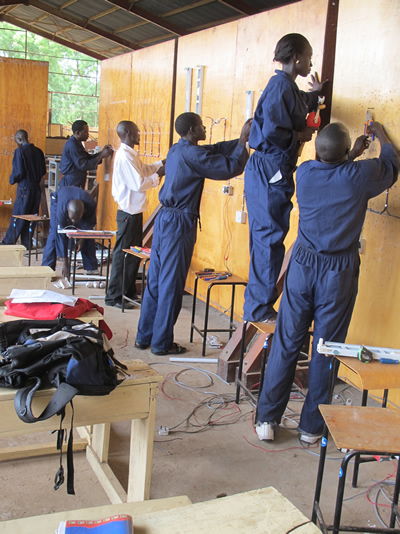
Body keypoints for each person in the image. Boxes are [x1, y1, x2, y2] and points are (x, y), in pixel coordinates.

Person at [256, 121, 399, 444]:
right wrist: (380, 135)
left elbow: (331, 169)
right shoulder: (358, 178)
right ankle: (311, 428)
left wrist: (350, 154)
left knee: (287, 341)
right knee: (326, 347)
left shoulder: (305, 173)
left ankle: (266, 420)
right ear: (347, 152)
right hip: (338, 272)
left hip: (303, 266)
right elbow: (391, 165)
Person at [135, 112, 252, 355]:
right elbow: (228, 168)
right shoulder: (193, 154)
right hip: (179, 222)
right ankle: (161, 343)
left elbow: (215, 149)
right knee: (172, 283)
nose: (205, 128)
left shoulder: (178, 150)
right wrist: (242, 143)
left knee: (156, 279)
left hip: (165, 218)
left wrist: (239, 140)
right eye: (201, 125)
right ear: (191, 130)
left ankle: (144, 337)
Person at [243, 33, 326, 324]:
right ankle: (260, 309)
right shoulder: (280, 86)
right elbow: (273, 133)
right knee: (269, 239)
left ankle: (258, 304)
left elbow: (302, 102)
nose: (311, 62)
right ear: (297, 58)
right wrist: (299, 136)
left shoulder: (286, 85)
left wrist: (315, 94)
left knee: (266, 238)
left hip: (268, 169)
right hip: (271, 168)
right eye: (310, 57)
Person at [105, 120, 165, 309]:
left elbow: (144, 170)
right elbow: (139, 183)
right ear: (129, 133)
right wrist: (159, 175)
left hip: (134, 213)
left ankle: (128, 292)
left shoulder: (131, 155)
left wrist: (160, 165)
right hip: (127, 214)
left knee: (132, 256)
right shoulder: (124, 156)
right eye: (138, 132)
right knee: (123, 256)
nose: (140, 135)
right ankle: (114, 296)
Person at [1, 129, 46, 248]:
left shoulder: (19, 151)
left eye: (16, 140)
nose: (16, 143)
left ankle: (8, 243)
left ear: (20, 139)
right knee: (31, 217)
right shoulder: (39, 152)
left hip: (24, 188)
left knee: (18, 216)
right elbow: (43, 171)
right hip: (36, 188)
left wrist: (11, 179)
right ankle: (27, 243)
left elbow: (19, 172)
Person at [42, 185, 98, 277]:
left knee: (88, 236)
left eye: (77, 220)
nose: (74, 223)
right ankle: (47, 269)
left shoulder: (91, 204)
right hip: (58, 199)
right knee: (54, 233)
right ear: (67, 211)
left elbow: (88, 226)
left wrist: (81, 240)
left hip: (78, 203)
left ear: (83, 212)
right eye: (71, 219)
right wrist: (65, 263)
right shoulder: (61, 210)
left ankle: (91, 268)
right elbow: (61, 235)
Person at [59, 120, 113, 189]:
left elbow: (87, 157)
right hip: (71, 182)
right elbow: (83, 164)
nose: (88, 135)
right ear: (78, 133)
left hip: (76, 180)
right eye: (85, 132)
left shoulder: (77, 143)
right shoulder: (72, 145)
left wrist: (102, 153)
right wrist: (101, 155)